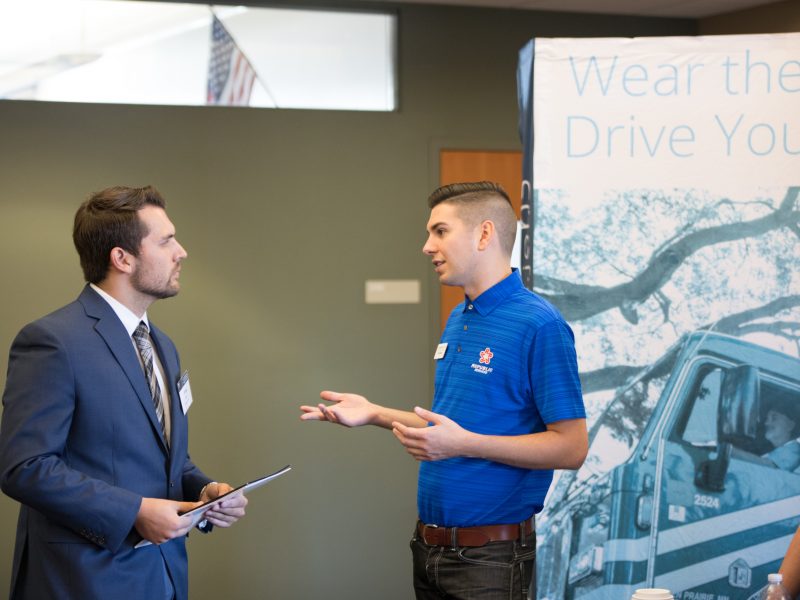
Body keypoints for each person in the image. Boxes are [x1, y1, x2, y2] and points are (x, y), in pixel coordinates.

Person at [300, 181, 588, 599]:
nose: (426, 246)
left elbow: (572, 447)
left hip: (490, 558)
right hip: (430, 549)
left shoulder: (540, 325)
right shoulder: (459, 317)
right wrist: (373, 412)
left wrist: (465, 444)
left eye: (440, 231)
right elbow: (449, 430)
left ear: (484, 234)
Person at [0, 186, 247, 600]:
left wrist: (203, 493)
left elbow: (166, 459)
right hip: (82, 581)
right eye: (166, 240)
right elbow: (24, 466)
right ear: (122, 258)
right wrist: (133, 512)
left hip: (164, 576)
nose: (181, 251)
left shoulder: (162, 345)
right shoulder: (52, 341)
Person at [762, 406, 800, 472]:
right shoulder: (780, 450)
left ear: (790, 425)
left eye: (774, 418)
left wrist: (737, 455)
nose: (766, 423)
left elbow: (763, 466)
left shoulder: (794, 450)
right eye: (766, 419)